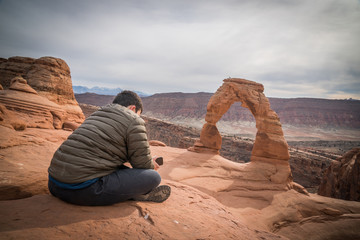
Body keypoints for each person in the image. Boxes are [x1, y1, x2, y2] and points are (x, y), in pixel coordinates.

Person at [48, 90, 171, 206]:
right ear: (133, 108)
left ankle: (128, 192)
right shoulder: (134, 120)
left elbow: (104, 150)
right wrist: (151, 164)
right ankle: (133, 194)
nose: (139, 116)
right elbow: (142, 166)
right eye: (139, 113)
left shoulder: (98, 113)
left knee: (121, 169)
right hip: (82, 190)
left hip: (54, 184)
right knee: (152, 177)